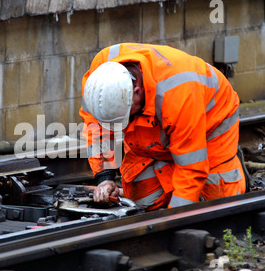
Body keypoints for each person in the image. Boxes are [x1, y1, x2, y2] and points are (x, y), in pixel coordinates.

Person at [80, 43, 247, 211]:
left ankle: (226, 166)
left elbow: (191, 170)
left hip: (210, 124)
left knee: (217, 205)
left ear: (136, 91)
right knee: (143, 199)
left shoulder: (179, 94)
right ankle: (170, 166)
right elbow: (97, 127)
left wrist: (173, 219)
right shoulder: (99, 77)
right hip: (162, 119)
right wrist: (105, 177)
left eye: (126, 115)